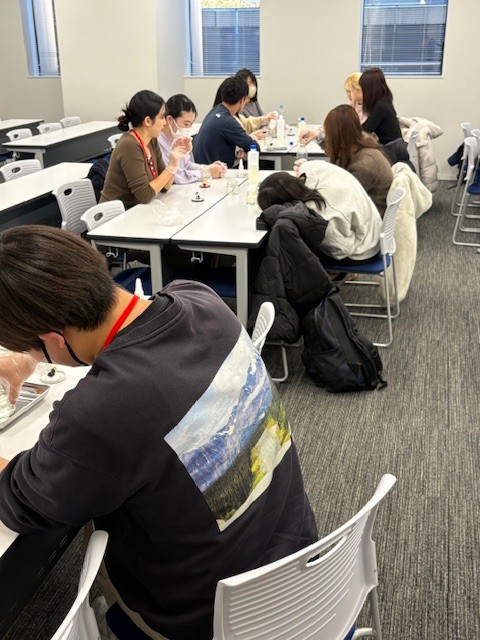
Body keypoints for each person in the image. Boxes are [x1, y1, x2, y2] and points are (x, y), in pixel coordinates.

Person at [0, 226, 317, 640]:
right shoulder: (199, 298)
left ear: (53, 339)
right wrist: (33, 357)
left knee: (91, 523)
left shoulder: (100, 410)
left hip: (214, 618)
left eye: (31, 348)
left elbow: (21, 503)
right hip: (297, 557)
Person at [258, 167, 381, 264]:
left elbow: (342, 250)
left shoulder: (318, 216)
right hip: (373, 229)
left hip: (363, 251)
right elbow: (304, 164)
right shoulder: (312, 169)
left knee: (292, 246)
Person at [100, 90, 192, 209]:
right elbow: (144, 195)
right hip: (116, 214)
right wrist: (170, 167)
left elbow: (165, 187)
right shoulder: (129, 145)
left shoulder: (152, 141)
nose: (165, 123)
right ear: (148, 121)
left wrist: (175, 160)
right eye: (162, 117)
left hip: (137, 210)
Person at [323, 104, 393, 215]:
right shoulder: (362, 144)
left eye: (328, 134)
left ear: (337, 138)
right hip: (368, 211)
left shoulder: (364, 165)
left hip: (370, 218)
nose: (326, 138)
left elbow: (340, 200)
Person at [157, 93, 226, 184]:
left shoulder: (176, 138)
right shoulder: (158, 141)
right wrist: (207, 172)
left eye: (191, 124)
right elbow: (177, 177)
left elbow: (186, 165)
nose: (188, 128)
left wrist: (207, 167)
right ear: (170, 120)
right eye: (186, 124)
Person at [193, 76, 261, 167]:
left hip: (206, 168)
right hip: (214, 172)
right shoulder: (227, 121)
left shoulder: (215, 111)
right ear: (243, 100)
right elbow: (254, 148)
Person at [359, 67, 410, 165]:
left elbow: (365, 130)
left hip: (391, 153)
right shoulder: (386, 102)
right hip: (396, 151)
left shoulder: (381, 107)